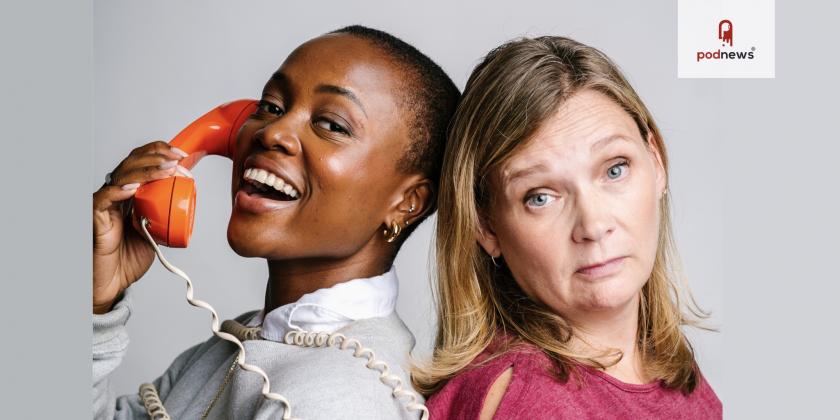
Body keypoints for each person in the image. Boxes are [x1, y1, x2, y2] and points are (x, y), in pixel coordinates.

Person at [93, 25, 459, 420]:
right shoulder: (238, 347)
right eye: (270, 106)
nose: (273, 132)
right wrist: (95, 302)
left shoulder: (340, 399)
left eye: (333, 125)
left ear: (406, 202)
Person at [414, 36, 722, 419]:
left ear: (656, 161)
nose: (593, 225)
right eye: (540, 196)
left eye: (614, 169)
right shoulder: (532, 402)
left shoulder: (665, 367)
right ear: (485, 225)